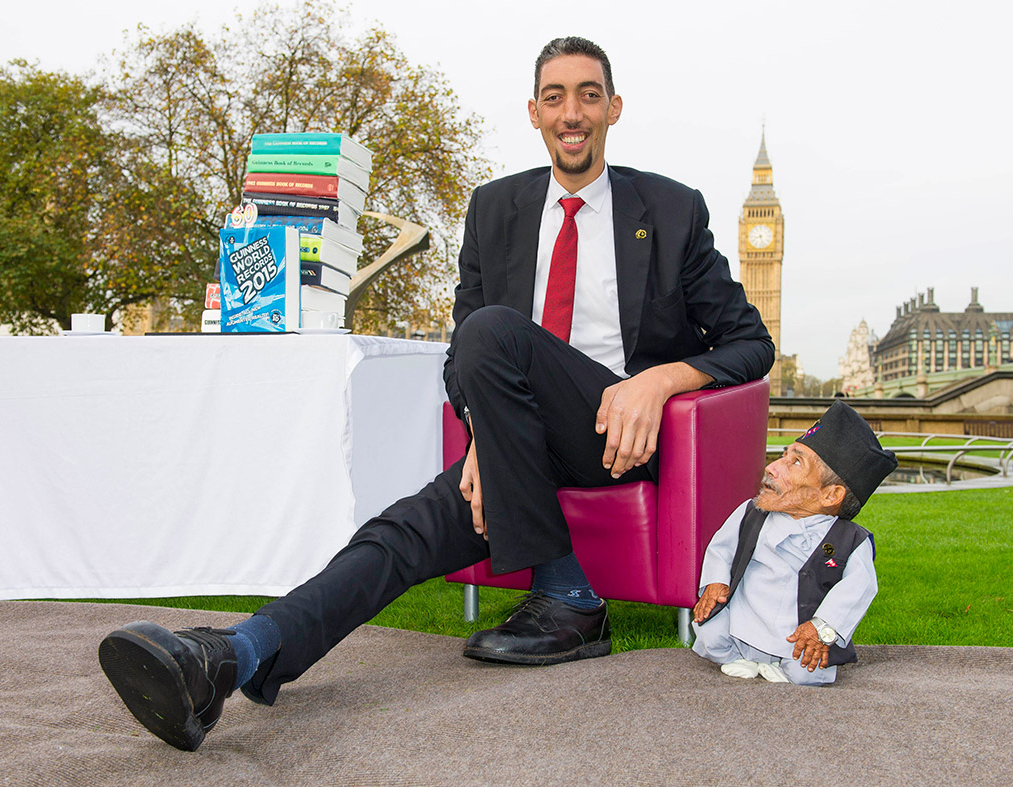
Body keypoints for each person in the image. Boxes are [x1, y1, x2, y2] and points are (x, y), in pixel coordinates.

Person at [99, 35, 774, 751]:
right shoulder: (495, 210)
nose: (571, 112)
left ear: (613, 108)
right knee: (398, 533)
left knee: (493, 331)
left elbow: (750, 342)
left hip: (617, 434)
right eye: (554, 97)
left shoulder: (670, 210)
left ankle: (569, 596)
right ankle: (228, 659)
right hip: (521, 445)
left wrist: (663, 379)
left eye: (587, 94)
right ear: (534, 112)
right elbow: (463, 364)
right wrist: (487, 434)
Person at [691, 400, 897, 685]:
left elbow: (858, 588)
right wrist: (715, 583)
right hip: (743, 619)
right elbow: (721, 548)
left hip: (796, 633)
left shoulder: (851, 541)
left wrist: (822, 628)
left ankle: (783, 665)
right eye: (783, 456)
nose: (773, 467)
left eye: (795, 462)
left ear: (830, 496)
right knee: (711, 635)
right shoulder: (751, 513)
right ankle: (738, 656)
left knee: (807, 670)